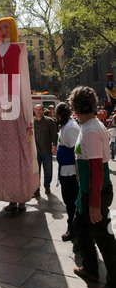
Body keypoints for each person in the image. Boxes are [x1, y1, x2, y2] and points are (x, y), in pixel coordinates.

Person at [0, 17, 39, 211]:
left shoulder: (19, 48)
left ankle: (21, 196)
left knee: (18, 153)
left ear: (13, 28)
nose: (2, 30)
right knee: (1, 155)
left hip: (15, 103)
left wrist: (27, 115)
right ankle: (9, 197)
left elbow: (24, 80)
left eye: (6, 27)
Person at [70, 86, 116, 288]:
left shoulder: (89, 130)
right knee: (79, 225)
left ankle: (114, 284)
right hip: (88, 190)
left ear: (75, 107)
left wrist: (95, 203)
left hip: (96, 192)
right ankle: (90, 268)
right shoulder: (89, 125)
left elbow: (97, 168)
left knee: (104, 238)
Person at [56, 102, 80, 241]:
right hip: (65, 170)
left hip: (71, 172)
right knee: (68, 201)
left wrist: (77, 172)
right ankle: (72, 228)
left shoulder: (71, 127)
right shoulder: (66, 126)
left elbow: (76, 151)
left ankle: (75, 230)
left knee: (72, 202)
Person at [33, 104, 58, 195]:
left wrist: (54, 145)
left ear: (43, 110)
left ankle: (47, 186)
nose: (38, 111)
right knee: (36, 171)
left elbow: (54, 134)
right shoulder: (31, 122)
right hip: (35, 151)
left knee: (48, 170)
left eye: (40, 109)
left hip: (46, 150)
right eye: (37, 109)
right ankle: (36, 188)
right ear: (34, 110)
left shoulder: (49, 121)